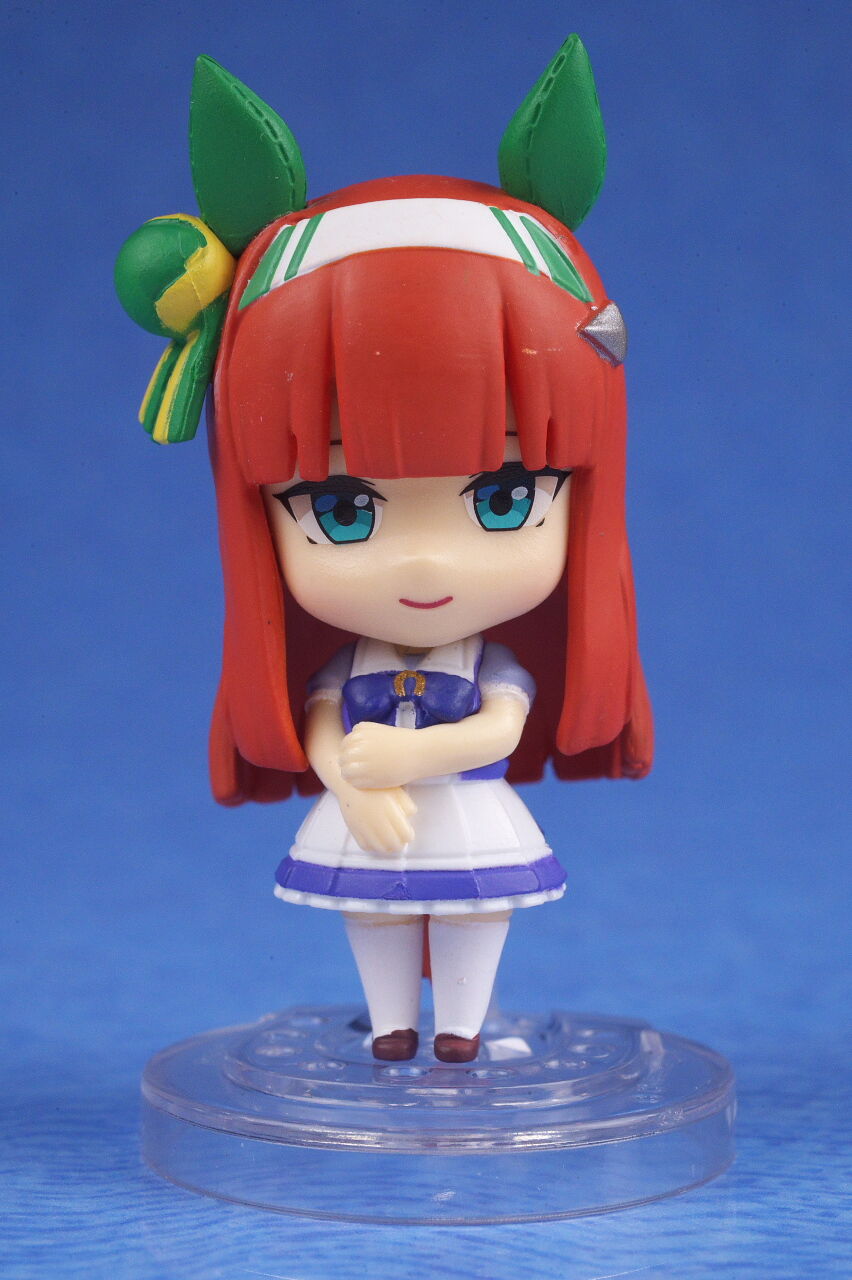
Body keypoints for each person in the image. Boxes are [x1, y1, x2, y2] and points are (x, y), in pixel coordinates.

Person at [116, 38, 653, 1064]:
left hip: (464, 808)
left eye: (503, 498)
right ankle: (396, 1026)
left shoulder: (489, 661)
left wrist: (409, 756)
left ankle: (462, 1030)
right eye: (342, 509)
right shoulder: (348, 662)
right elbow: (322, 718)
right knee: (370, 917)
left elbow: (500, 721)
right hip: (369, 815)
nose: (425, 567)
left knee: (476, 918)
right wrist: (348, 775)